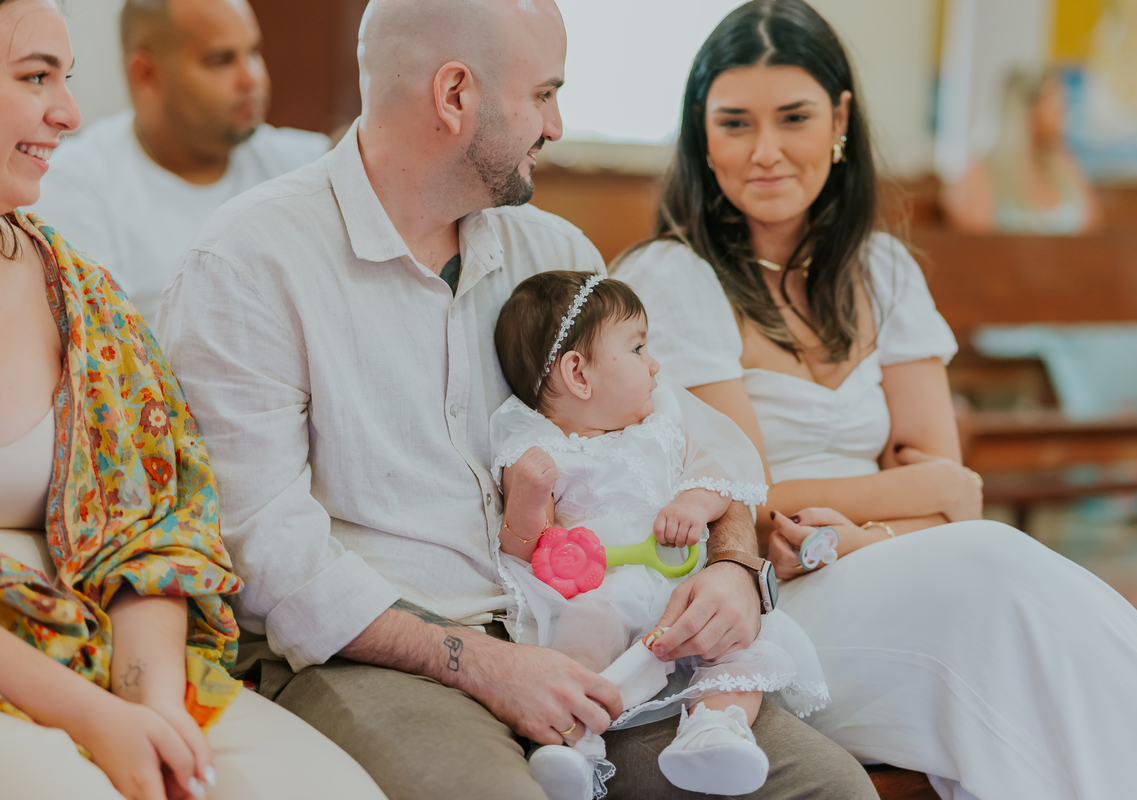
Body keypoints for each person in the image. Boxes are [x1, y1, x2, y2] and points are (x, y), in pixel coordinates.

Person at [155, 1, 879, 798]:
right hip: (382, 657)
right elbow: (270, 561)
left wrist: (736, 567)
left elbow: (679, 431)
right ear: (455, 95)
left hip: (594, 640)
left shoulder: (556, 253)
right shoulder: (248, 263)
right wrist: (487, 664)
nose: (557, 123)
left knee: (824, 789)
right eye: (543, 94)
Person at [615, 2, 1137, 798]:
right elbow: (746, 498)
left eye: (794, 118)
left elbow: (952, 497)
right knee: (1000, 578)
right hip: (767, 608)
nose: (766, 152)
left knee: (1042, 615)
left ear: (840, 121)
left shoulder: (885, 271)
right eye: (735, 123)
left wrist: (862, 531)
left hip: (901, 562)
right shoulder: (672, 278)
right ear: (700, 131)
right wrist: (925, 491)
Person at [0, 2, 388, 798]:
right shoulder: (101, 193)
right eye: (35, 77)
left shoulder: (74, 291)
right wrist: (92, 718)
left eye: (64, 80)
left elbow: (149, 525)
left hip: (98, 632)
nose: (68, 112)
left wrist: (151, 702)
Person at [491, 271, 832, 798]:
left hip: (686, 584)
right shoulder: (536, 446)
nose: (655, 364)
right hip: (603, 591)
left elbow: (721, 473)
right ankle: (571, 742)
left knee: (737, 643)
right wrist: (530, 497)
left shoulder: (660, 424)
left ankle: (715, 728)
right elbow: (528, 551)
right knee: (582, 637)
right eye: (638, 347)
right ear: (578, 374)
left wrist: (693, 502)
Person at [30, 0, 329, 323]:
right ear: (146, 74)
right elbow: (111, 356)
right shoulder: (77, 185)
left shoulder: (308, 167)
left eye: (254, 52)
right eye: (221, 60)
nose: (252, 79)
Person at [941, 68, 1100, 234]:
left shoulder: (1066, 169)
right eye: (1055, 103)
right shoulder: (978, 176)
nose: (1063, 114)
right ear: (1025, 110)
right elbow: (974, 246)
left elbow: (1091, 231)